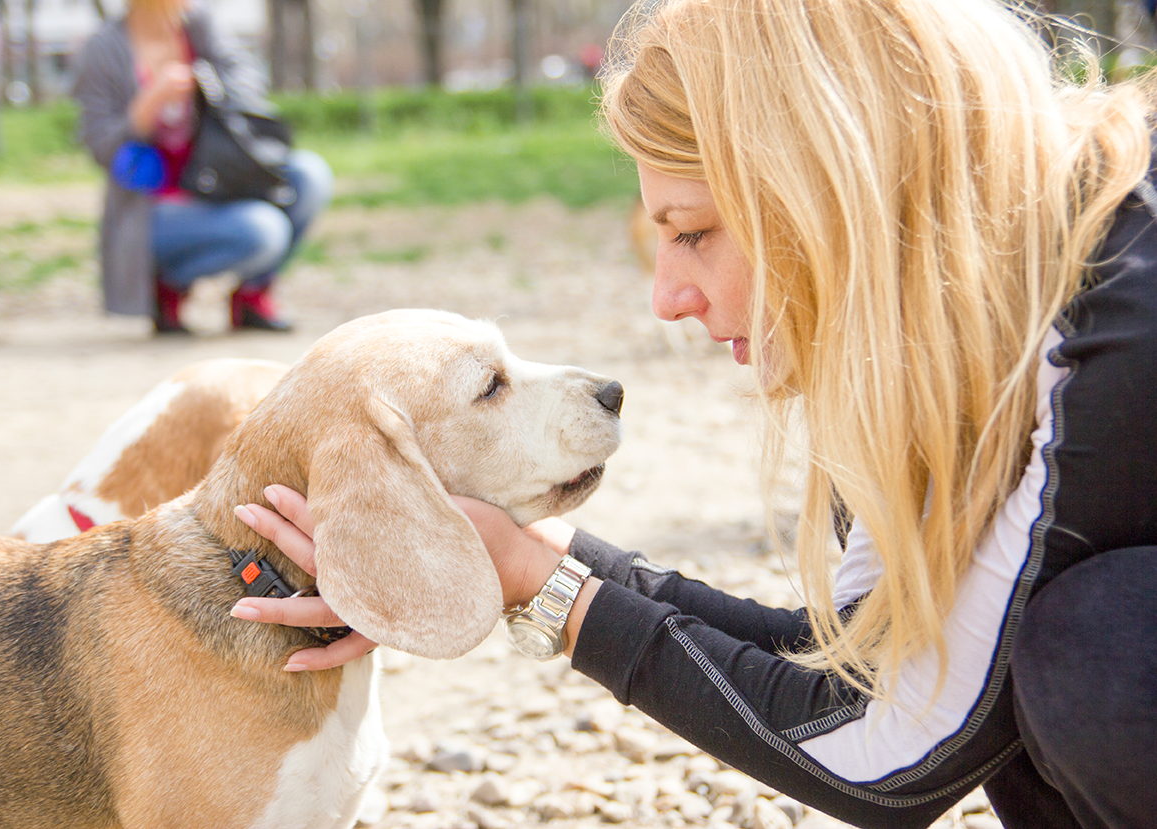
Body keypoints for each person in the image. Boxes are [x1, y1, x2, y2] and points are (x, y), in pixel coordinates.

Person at [226, 0, 1157, 826]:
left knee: (1097, 653)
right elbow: (868, 667)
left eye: (694, 233)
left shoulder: (1108, 331)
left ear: (833, 189)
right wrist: (541, 561)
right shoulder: (960, 336)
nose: (667, 296)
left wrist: (546, 596)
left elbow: (894, 760)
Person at [72, 0, 332, 335]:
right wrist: (148, 106)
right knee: (264, 231)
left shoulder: (202, 27)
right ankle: (167, 286)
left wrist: (203, 84)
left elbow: (251, 91)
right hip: (152, 207)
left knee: (310, 174)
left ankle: (252, 296)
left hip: (221, 178)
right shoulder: (103, 48)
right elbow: (100, 146)